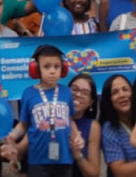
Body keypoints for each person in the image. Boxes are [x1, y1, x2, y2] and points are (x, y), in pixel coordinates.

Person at [6, 45, 82, 177]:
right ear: (36, 69)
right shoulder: (28, 93)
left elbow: (70, 119)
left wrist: (77, 136)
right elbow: (24, 124)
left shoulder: (66, 92)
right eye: (46, 67)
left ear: (63, 68)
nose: (52, 71)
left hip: (64, 157)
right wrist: (12, 135)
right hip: (38, 159)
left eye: (56, 66)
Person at [68, 74, 101, 177]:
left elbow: (94, 173)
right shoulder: (50, 115)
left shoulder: (93, 126)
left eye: (85, 93)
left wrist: (77, 153)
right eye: (74, 89)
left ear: (91, 102)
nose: (78, 94)